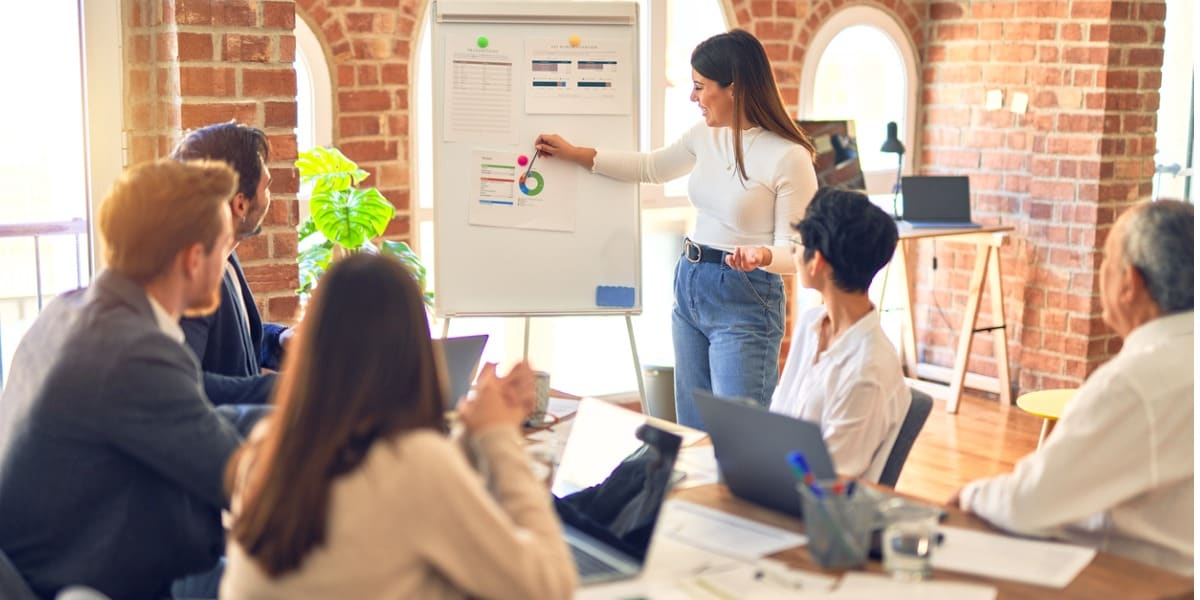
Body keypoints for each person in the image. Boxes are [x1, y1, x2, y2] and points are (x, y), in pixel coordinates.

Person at [220, 253, 577, 599]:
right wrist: (497, 436)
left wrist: (471, 432)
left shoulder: (266, 449)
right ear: (414, 349)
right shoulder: (414, 465)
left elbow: (399, 508)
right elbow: (550, 586)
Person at [535, 29, 818, 428]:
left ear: (733, 89)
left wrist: (763, 255)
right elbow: (651, 167)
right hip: (690, 284)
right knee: (691, 430)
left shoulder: (789, 157)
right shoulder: (704, 137)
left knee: (738, 435)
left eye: (700, 87)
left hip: (745, 297)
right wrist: (575, 154)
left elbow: (798, 251)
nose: (693, 98)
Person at [0, 160, 244, 598]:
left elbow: (199, 410)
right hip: (89, 582)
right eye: (225, 247)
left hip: (60, 557)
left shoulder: (69, 310)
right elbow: (238, 476)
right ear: (192, 259)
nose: (227, 261)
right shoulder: (131, 351)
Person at [953, 200, 1194, 575]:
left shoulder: (1134, 383)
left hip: (1131, 581)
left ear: (1130, 283)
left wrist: (970, 495)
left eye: (1106, 261)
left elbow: (1029, 504)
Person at [768, 188, 909, 482]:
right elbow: (778, 418)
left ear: (816, 261)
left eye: (797, 243)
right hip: (773, 482)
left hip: (815, 512)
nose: (793, 251)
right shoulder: (811, 325)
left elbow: (826, 479)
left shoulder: (868, 370)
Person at [170, 121, 287, 407]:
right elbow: (184, 383)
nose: (270, 197)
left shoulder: (227, 253)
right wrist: (283, 389)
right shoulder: (193, 277)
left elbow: (234, 345)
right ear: (241, 204)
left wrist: (281, 339)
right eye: (266, 187)